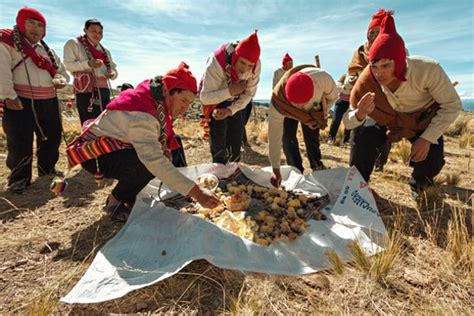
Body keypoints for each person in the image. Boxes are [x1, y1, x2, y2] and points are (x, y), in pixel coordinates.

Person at [66, 62, 219, 222]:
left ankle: (131, 196)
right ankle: (115, 201)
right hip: (97, 155)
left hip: (118, 148)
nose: (185, 108)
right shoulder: (143, 114)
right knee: (147, 165)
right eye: (183, 101)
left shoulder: (155, 99)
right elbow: (154, 160)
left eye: (189, 103)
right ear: (167, 91)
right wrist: (196, 192)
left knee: (165, 151)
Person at [343, 12, 461, 193]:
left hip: (420, 120)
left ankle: (418, 184)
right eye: (374, 66)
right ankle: (358, 187)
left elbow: (451, 105)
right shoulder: (367, 80)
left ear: (399, 63)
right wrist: (359, 114)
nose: (378, 73)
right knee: (363, 137)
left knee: (433, 159)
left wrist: (426, 138)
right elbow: (348, 120)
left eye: (385, 66)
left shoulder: (428, 70)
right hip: (385, 118)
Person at [0, 7, 69, 193]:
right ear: (21, 23)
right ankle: (19, 179)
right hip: (19, 100)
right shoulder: (7, 43)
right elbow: (2, 71)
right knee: (20, 140)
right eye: (30, 22)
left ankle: (47, 170)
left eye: (40, 25)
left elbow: (63, 73)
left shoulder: (49, 52)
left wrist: (61, 80)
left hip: (48, 99)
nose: (35, 28)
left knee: (52, 137)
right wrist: (9, 95)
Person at [268, 65, 338, 187]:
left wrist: (321, 113)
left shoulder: (323, 79)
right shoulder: (278, 102)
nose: (301, 108)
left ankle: (316, 164)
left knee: (312, 136)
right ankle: (295, 169)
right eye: (298, 105)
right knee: (287, 136)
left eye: (305, 103)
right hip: (289, 111)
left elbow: (333, 97)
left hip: (314, 110)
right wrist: (276, 170)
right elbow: (274, 138)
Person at [200, 31, 261, 164]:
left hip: (236, 100)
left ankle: (234, 171)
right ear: (235, 56)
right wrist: (231, 91)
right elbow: (205, 97)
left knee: (235, 137)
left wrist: (230, 111)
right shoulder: (216, 61)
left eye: (250, 65)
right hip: (215, 97)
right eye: (242, 63)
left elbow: (249, 94)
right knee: (219, 139)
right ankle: (219, 170)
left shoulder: (256, 66)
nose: (245, 70)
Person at [346, 9, 393, 170]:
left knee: (385, 136)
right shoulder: (360, 53)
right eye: (371, 32)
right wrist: (354, 80)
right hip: (362, 101)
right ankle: (356, 173)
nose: (374, 36)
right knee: (358, 137)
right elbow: (351, 73)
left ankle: (380, 162)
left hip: (387, 103)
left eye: (378, 32)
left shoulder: (395, 51)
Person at [63, 19, 118, 125]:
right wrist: (88, 64)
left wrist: (112, 74)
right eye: (93, 30)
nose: (97, 34)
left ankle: (103, 142)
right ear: (85, 30)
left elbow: (114, 70)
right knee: (89, 124)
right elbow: (68, 65)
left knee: (105, 124)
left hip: (104, 91)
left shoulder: (105, 51)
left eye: (100, 32)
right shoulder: (74, 44)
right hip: (86, 91)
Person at [327, 74, 352, 145]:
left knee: (349, 122)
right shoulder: (344, 76)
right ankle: (331, 138)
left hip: (352, 103)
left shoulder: (359, 77)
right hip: (341, 102)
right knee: (336, 120)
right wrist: (346, 87)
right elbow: (337, 88)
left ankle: (346, 140)